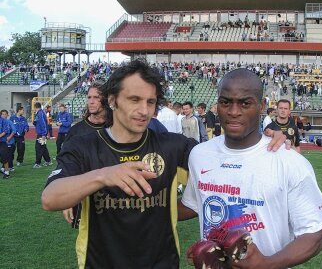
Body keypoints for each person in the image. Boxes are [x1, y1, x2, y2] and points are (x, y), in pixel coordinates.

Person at [42, 61, 288, 268]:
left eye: (150, 102)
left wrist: (264, 137)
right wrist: (104, 176)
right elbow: (50, 198)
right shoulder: (83, 146)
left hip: (162, 263)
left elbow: (221, 167)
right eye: (134, 99)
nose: (143, 110)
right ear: (112, 100)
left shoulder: (173, 147)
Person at [178, 68, 322, 269]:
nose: (234, 112)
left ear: (262, 106)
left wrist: (266, 264)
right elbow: (193, 204)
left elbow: (314, 235)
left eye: (245, 103)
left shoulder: (289, 161)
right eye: (225, 102)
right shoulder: (200, 155)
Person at [62, 81, 108, 229]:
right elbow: (67, 166)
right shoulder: (76, 132)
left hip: (114, 197)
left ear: (107, 99)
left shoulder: (117, 126)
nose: (91, 101)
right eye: (89, 97)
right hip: (85, 198)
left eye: (96, 97)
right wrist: (67, 198)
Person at [33, 102, 52, 168]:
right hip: (42, 133)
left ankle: (38, 163)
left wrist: (44, 134)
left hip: (41, 134)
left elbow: (43, 124)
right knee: (43, 147)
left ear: (35, 107)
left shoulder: (40, 113)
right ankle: (48, 161)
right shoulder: (40, 113)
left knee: (38, 148)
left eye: (34, 108)